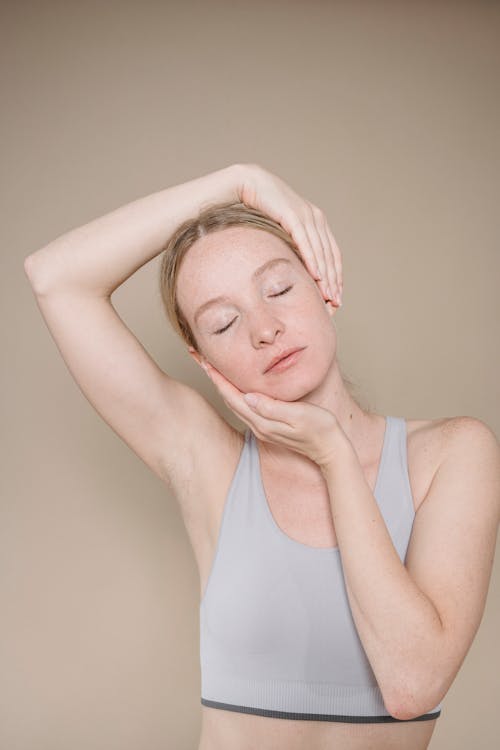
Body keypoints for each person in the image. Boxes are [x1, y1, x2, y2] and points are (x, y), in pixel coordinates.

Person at [24, 163, 500, 750]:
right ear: (205, 363)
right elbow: (54, 278)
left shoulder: (453, 455)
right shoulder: (207, 461)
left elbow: (412, 684)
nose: (265, 328)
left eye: (278, 289)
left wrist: (334, 457)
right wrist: (238, 181)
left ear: (324, 285)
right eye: (224, 323)